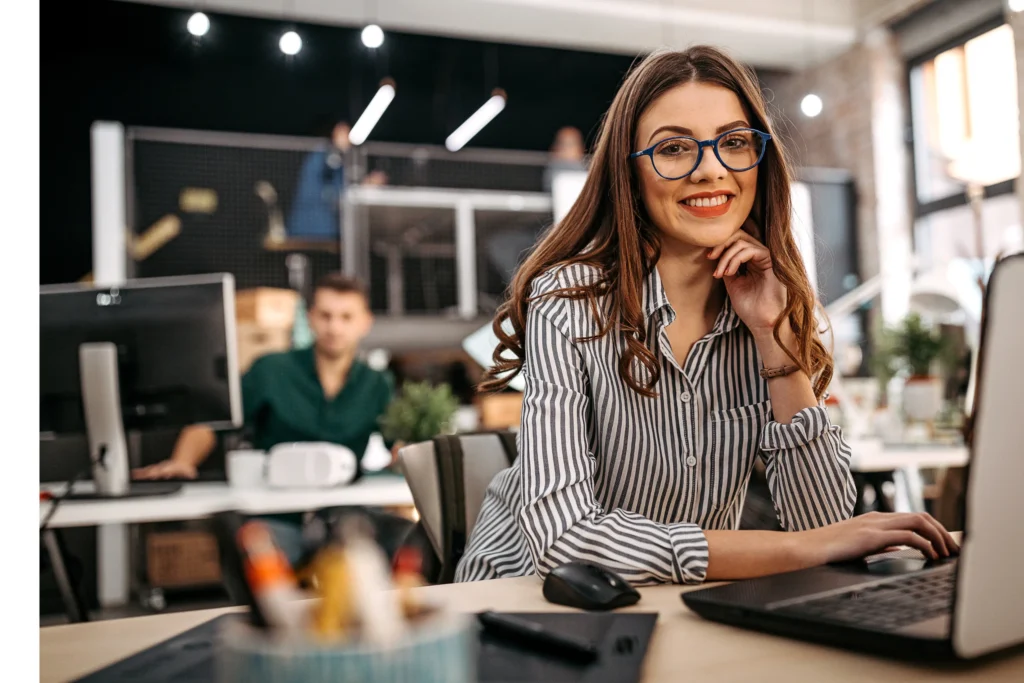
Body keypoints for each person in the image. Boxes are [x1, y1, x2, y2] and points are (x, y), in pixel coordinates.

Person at [455, 46, 958, 585]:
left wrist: (774, 341)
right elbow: (565, 540)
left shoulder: (767, 304)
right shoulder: (570, 301)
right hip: (522, 598)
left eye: (735, 142)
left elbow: (826, 525)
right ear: (630, 171)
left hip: (672, 598)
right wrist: (791, 549)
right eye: (674, 148)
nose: (711, 170)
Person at [135, 273, 404, 564]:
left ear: (365, 322)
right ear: (310, 318)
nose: (334, 327)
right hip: (277, 514)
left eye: (346, 317)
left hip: (346, 518)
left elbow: (399, 443)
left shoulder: (377, 384)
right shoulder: (272, 369)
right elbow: (214, 421)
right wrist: (183, 460)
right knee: (263, 575)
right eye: (325, 316)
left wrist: (406, 457)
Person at [487, 126, 588, 284]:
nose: (564, 150)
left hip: (568, 242)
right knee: (500, 243)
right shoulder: (556, 172)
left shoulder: (582, 176)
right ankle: (521, 287)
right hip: (544, 235)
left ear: (581, 150)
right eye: (561, 145)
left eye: (569, 144)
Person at [287, 121, 386, 240]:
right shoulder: (322, 154)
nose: (347, 138)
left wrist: (364, 186)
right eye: (343, 133)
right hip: (310, 230)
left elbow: (343, 193)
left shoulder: (340, 163)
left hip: (329, 231)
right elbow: (334, 191)